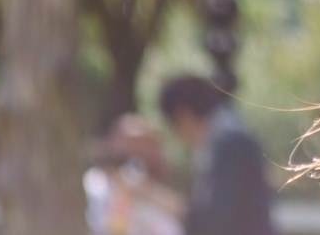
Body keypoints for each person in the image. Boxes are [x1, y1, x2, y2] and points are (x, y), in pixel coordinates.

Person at [157, 75, 278, 235]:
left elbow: (213, 220)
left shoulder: (229, 143)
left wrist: (148, 192)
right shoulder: (228, 137)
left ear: (183, 115)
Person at [84, 114, 184, 235]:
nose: (140, 149)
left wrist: (148, 191)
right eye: (133, 142)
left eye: (146, 142)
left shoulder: (168, 181)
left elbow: (188, 214)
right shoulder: (98, 182)